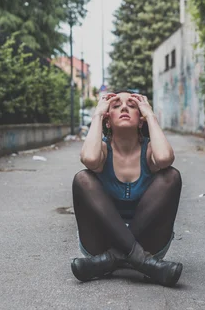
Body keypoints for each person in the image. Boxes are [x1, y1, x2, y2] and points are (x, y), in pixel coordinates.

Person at [70, 91, 183, 287]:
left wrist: (150, 115)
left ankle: (111, 260)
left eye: (132, 106)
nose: (123, 108)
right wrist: (97, 114)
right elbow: (88, 159)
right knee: (82, 179)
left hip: (149, 244)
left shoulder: (149, 151)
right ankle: (143, 262)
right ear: (108, 120)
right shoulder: (103, 151)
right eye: (115, 106)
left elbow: (165, 158)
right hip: (98, 244)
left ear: (140, 121)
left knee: (171, 176)